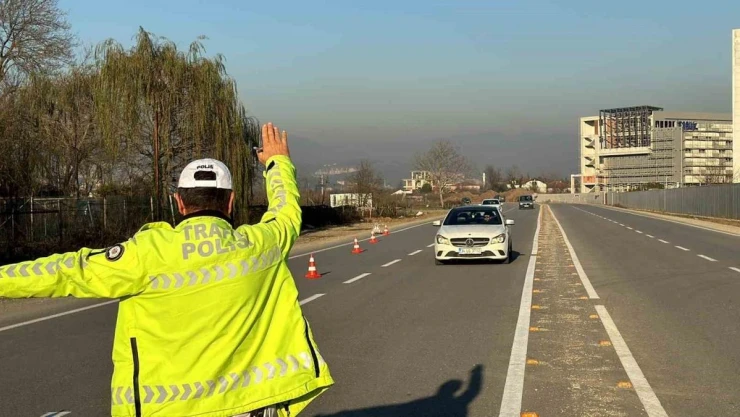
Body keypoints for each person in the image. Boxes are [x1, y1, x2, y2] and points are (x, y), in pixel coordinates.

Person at [0, 123, 333, 417]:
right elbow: (286, 211)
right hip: (252, 407)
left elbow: (65, 271)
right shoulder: (261, 245)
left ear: (179, 202)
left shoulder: (147, 254)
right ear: (231, 202)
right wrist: (277, 163)